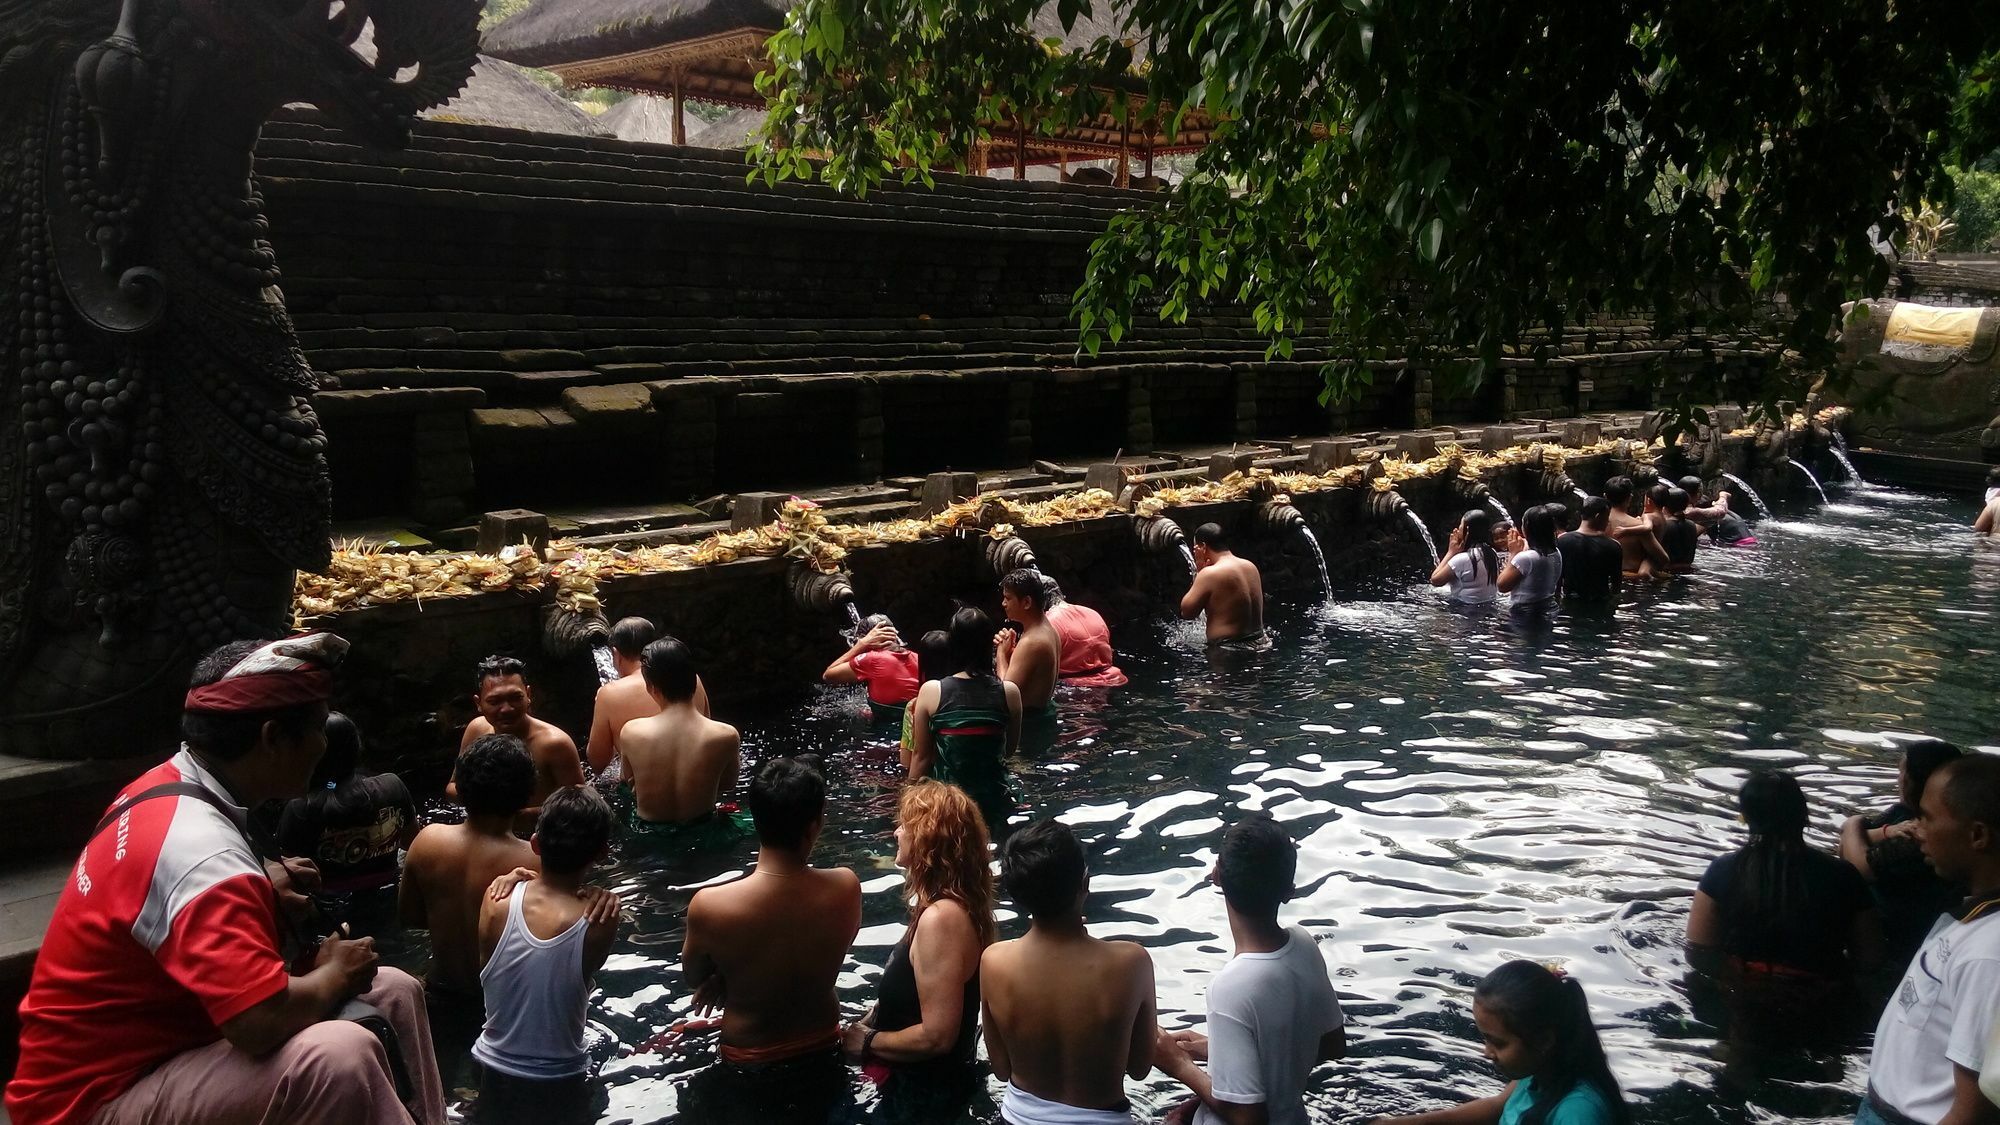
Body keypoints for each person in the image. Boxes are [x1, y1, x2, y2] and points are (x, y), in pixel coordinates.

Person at [8, 634, 448, 1125]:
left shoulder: (167, 786)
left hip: (168, 1044)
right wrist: (334, 974)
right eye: (319, 730)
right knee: (336, 1058)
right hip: (94, 1100)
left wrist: (262, 885)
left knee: (394, 988)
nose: (324, 746)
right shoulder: (204, 856)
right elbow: (258, 1023)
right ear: (273, 738)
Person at [680, 756, 863, 1125]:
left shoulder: (712, 905)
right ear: (815, 825)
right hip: (823, 1045)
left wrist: (724, 976)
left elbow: (693, 977)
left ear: (755, 820)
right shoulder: (845, 887)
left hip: (751, 1060)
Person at [1153, 814, 1345, 1125]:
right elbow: (1331, 1045)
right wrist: (1214, 1050)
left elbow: (1248, 1117)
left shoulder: (1230, 987)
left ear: (1216, 876)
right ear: (1289, 891)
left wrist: (1178, 1065)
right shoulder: (1305, 946)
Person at [981, 817, 1158, 1125]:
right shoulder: (1132, 963)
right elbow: (1140, 1068)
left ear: (1017, 895)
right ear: (1084, 883)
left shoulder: (994, 962)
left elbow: (1002, 1069)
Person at [1686, 771, 1881, 1047]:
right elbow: (1870, 959)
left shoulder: (1723, 871)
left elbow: (1698, 950)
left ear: (1747, 817)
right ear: (1804, 816)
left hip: (1741, 1003)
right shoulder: (1843, 876)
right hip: (1820, 1004)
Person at [1857, 754, 2000, 1125]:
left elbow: (1973, 1113)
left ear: (1978, 836)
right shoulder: (1974, 919)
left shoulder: (1988, 954)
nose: (1917, 829)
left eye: (1928, 818)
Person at [843, 781, 995, 1115]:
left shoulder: (942, 919)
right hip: (921, 1087)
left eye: (906, 825)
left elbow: (937, 1036)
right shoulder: (950, 908)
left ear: (927, 839)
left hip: (920, 1098)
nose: (897, 831)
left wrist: (867, 1041)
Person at [471, 787, 620, 1125]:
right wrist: (601, 897)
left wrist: (515, 877)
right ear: (602, 853)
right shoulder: (601, 919)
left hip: (491, 1066)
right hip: (559, 1079)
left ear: (535, 843)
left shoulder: (495, 900)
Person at [1377, 960, 1629, 1125]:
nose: (1487, 1052)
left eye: (1498, 1043)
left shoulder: (1579, 1113)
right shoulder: (1539, 1071)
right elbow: (1497, 1107)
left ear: (1543, 1040)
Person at [402, 733, 540, 1003]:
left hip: (441, 990)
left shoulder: (426, 841)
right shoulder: (534, 861)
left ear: (461, 789)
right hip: (505, 1003)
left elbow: (410, 916)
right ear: (527, 793)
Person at [1841, 740, 1966, 961]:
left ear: (1910, 780)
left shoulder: (1919, 834)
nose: (1898, 779)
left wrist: (1853, 823)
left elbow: (1858, 866)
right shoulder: (1902, 814)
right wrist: (1885, 831)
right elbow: (1848, 846)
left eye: (1901, 771)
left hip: (1900, 938)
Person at [614, 637, 746, 845]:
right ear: (694, 681)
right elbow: (728, 784)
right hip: (705, 832)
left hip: (650, 837)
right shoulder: (725, 735)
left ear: (652, 688)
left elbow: (627, 780)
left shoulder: (632, 732)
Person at [276, 711, 419, 897]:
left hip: (329, 904)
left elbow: (290, 872)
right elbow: (413, 843)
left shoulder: (299, 808)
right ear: (356, 747)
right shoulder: (393, 786)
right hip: (388, 893)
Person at [909, 607, 1023, 833]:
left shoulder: (932, 691)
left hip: (949, 805)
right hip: (994, 800)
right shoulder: (1009, 692)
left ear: (952, 646)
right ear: (988, 645)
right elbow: (1008, 751)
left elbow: (921, 758)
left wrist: (907, 804)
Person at [452, 656, 584, 829]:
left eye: (515, 697)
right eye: (494, 701)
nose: (506, 708)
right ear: (479, 703)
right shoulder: (476, 730)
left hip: (537, 835)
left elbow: (581, 805)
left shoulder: (554, 744)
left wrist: (519, 816)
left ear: (528, 695)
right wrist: (489, 806)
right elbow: (452, 787)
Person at [586, 617, 712, 776]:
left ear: (615, 654)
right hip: (696, 776)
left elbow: (598, 763)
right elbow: (708, 730)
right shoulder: (692, 678)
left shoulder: (610, 694)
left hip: (642, 788)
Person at [1181, 523, 1271, 653]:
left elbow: (1187, 612)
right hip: (1262, 643)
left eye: (1195, 550)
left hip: (1228, 650)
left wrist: (1199, 573)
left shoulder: (1210, 573)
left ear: (1203, 547)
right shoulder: (1250, 566)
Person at [824, 614, 923, 722]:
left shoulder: (872, 659)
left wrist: (861, 645)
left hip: (887, 731)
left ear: (869, 638)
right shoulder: (917, 658)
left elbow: (828, 675)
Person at [996, 568, 1063, 714]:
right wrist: (1012, 653)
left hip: (1029, 723)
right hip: (1043, 716)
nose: (1003, 603)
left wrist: (1001, 654)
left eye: (1008, 598)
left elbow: (1006, 694)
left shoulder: (1031, 642)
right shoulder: (1051, 631)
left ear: (1026, 602)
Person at [1043, 574, 1128, 687]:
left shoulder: (1047, 624)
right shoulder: (1092, 613)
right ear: (1061, 595)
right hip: (1114, 679)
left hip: (1075, 687)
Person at [1556, 497, 1624, 607]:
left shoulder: (1562, 541)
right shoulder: (1613, 546)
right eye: (1607, 517)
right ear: (1598, 516)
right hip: (1600, 604)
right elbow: (1616, 587)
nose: (1608, 522)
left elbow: (1557, 581)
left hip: (1570, 602)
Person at [1499, 504, 1565, 614]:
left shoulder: (1525, 558)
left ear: (1527, 527)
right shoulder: (1556, 552)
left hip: (1524, 613)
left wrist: (1513, 553)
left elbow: (1502, 586)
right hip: (1547, 607)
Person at [1432, 509, 1501, 605]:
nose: (1458, 529)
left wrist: (1451, 552)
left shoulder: (1462, 559)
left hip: (1464, 609)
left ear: (1467, 530)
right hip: (1489, 606)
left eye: (1460, 526)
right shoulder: (1491, 553)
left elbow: (1435, 580)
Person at [1603, 476, 1668, 579]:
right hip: (1633, 581)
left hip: (1606, 578)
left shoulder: (1595, 524)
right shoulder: (1638, 526)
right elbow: (1663, 558)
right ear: (1630, 497)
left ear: (1605, 496)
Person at [1655, 488, 1701, 572]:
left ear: (1664, 506)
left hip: (1667, 571)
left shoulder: (1665, 525)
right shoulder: (1691, 525)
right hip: (1688, 569)